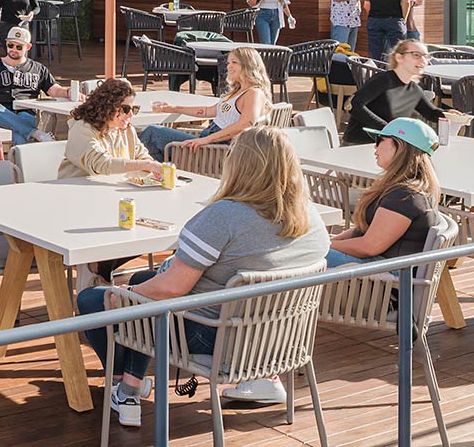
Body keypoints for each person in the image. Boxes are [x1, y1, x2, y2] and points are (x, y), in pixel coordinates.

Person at [78, 126, 330, 426]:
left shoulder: (226, 215)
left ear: (239, 163)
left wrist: (120, 297)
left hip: (214, 334)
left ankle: (122, 384)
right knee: (138, 284)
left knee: (93, 299)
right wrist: (136, 291)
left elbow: (171, 289)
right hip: (280, 338)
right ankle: (129, 386)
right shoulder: (311, 217)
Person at [327, 117, 442, 266]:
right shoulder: (409, 187)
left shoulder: (405, 195)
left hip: (387, 276)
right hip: (382, 268)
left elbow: (369, 247)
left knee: (302, 258)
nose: (374, 147)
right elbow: (363, 230)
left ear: (400, 146)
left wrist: (324, 246)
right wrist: (330, 242)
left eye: (379, 140)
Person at [139, 47, 273, 162]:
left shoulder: (253, 93)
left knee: (152, 134)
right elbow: (208, 111)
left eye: (234, 62)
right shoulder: (238, 91)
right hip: (210, 141)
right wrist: (174, 108)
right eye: (228, 62)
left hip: (217, 149)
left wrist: (206, 140)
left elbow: (245, 125)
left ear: (247, 65)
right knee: (150, 141)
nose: (229, 66)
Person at [0, 26, 69, 142]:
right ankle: (35, 133)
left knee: (19, 133)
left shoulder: (38, 69)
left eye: (19, 47)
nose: (13, 49)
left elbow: (54, 90)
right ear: (6, 43)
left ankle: (20, 153)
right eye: (11, 45)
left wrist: (67, 92)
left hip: (25, 113)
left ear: (28, 47)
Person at [341, 38, 446, 145]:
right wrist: (388, 128)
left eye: (425, 56)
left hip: (388, 146)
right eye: (416, 55)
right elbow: (355, 105)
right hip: (360, 144)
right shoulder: (383, 80)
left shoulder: (414, 89)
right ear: (399, 57)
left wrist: (450, 115)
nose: (423, 61)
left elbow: (431, 113)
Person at [59, 78, 164, 180]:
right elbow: (102, 163)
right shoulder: (82, 129)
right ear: (107, 107)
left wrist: (151, 165)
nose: (131, 115)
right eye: (126, 109)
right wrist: (148, 164)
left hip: (111, 190)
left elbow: (140, 154)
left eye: (134, 109)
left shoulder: (125, 129)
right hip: (77, 190)